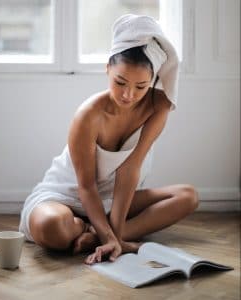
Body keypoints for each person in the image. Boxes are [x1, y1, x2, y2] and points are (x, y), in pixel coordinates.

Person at [19, 14, 199, 265]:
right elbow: (86, 186)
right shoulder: (88, 115)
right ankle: (105, 233)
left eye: (141, 87)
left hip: (111, 202)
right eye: (120, 82)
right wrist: (109, 234)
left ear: (152, 82)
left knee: (187, 196)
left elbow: (130, 169)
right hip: (65, 197)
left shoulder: (158, 108)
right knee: (52, 228)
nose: (128, 95)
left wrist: (108, 236)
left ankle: (100, 236)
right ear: (107, 68)